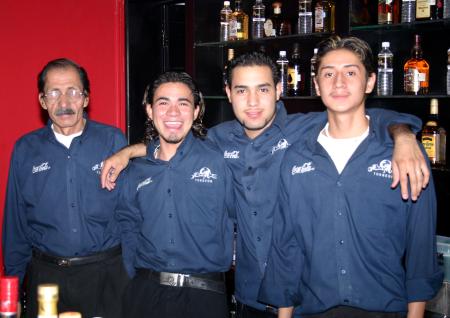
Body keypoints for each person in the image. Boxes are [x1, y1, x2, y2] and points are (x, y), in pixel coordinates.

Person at [101, 53, 428, 317]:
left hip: (304, 295)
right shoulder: (218, 138)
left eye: (263, 89)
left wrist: (403, 136)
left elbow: (369, 114)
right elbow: (173, 141)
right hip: (249, 294)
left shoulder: (308, 128)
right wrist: (127, 153)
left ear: (279, 90)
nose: (252, 101)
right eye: (242, 90)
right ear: (229, 94)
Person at [258, 36, 443, 318]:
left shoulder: (403, 155)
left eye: (350, 72)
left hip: (385, 309)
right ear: (317, 85)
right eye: (329, 74)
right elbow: (286, 248)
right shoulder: (296, 158)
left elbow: (421, 245)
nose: (339, 82)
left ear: (369, 82)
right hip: (313, 310)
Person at [2, 58, 129, 318]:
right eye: (54, 93)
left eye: (73, 92)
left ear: (86, 98)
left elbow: (132, 213)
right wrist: (12, 291)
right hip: (47, 280)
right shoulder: (25, 149)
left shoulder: (113, 141)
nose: (64, 103)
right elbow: (15, 223)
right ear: (42, 101)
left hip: (106, 277)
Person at [118, 72, 235, 318]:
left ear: (196, 110)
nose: (173, 113)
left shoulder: (219, 160)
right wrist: (134, 279)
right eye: (163, 103)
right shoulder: (135, 172)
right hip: (146, 295)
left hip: (205, 298)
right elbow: (128, 226)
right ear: (149, 110)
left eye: (183, 103)